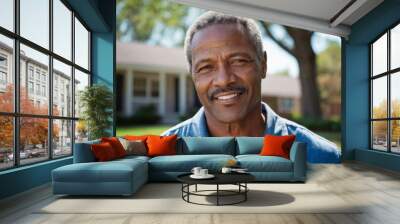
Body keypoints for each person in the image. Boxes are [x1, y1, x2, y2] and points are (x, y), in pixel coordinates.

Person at [162, 11, 340, 163]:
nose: (224, 80)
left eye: (239, 61)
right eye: (206, 67)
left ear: (263, 65)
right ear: (193, 76)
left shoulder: (323, 157)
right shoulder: (163, 154)